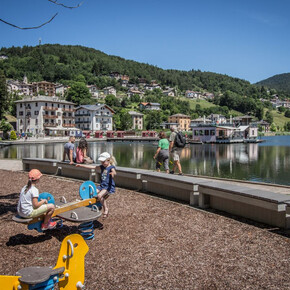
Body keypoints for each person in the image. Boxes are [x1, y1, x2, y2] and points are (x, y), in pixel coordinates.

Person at [76, 152, 117, 218]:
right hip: (102, 186)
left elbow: (114, 171)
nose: (102, 163)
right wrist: (81, 165)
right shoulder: (102, 167)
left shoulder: (111, 167)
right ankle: (97, 204)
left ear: (108, 160)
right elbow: (92, 167)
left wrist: (112, 173)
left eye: (103, 162)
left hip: (108, 187)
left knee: (99, 195)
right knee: (93, 192)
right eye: (101, 162)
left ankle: (105, 208)